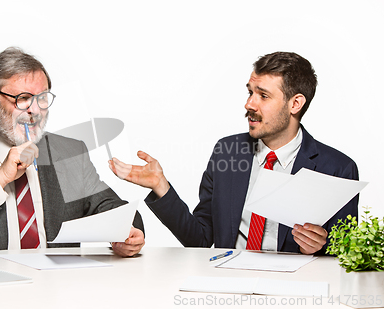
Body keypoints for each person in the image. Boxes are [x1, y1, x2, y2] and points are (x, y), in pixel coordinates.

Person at [109, 51, 358, 255]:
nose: (249, 104)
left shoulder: (337, 169)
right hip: (229, 284)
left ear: (295, 104)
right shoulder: (227, 152)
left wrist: (320, 247)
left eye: (263, 95)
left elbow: (348, 256)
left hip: (294, 291)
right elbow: (200, 239)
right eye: (250, 92)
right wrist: (161, 186)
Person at [0, 47, 144, 257]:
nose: (35, 110)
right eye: (23, 99)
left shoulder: (68, 152)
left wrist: (128, 232)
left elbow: (110, 208)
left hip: (57, 292)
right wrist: (0, 179)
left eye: (42, 98)